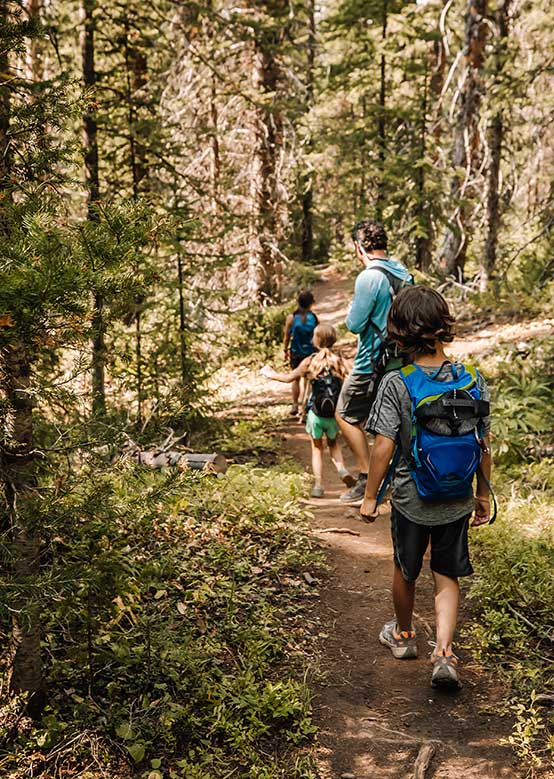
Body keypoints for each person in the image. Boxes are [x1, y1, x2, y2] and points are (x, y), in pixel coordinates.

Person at [360, 286, 492, 689]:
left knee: (406, 568)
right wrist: (481, 494)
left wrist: (370, 496)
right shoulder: (472, 380)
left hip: (410, 498)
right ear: (442, 325)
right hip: (457, 497)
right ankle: (444, 654)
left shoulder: (397, 383)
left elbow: (383, 446)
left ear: (399, 331)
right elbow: (484, 443)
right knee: (447, 573)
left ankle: (403, 636)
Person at [337, 219, 413, 506]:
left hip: (372, 362)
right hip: (402, 361)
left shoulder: (369, 277)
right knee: (391, 423)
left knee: (345, 414)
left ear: (359, 247)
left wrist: (351, 308)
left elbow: (355, 324)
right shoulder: (403, 272)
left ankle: (368, 477)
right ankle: (394, 479)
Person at [261, 324, 355, 498]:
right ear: (333, 340)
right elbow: (355, 379)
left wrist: (270, 373)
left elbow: (289, 378)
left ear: (316, 340)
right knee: (333, 444)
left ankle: (318, 486)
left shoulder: (310, 361)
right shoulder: (340, 361)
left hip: (315, 414)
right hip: (334, 414)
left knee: (317, 449)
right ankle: (342, 470)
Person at [283, 291, 318, 417]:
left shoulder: (291, 318)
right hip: (310, 353)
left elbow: (287, 336)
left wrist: (285, 350)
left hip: (295, 352)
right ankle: (304, 407)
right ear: (311, 303)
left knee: (295, 379)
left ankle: (294, 404)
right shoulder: (314, 318)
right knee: (308, 381)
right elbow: (317, 335)